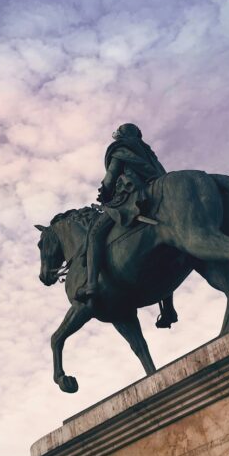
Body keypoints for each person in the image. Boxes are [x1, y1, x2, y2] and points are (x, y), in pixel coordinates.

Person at [76, 123, 178, 328]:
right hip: (156, 195)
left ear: (120, 135)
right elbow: (161, 173)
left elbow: (111, 176)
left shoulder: (120, 149)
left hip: (130, 196)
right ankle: (168, 308)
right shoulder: (148, 151)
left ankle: (92, 285)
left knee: (94, 234)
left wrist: (104, 191)